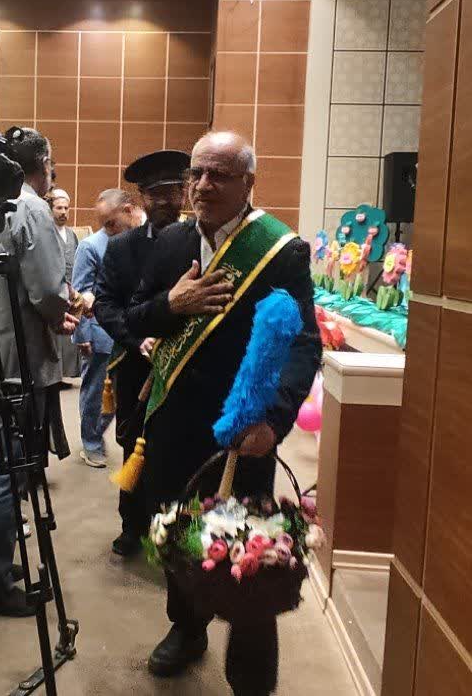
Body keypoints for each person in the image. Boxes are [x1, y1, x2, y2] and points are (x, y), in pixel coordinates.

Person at [125, 131, 321, 695]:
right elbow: (135, 316)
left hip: (243, 430)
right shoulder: (170, 242)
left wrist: (273, 420)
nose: (203, 185)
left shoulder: (279, 250)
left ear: (248, 183)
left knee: (247, 554)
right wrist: (172, 304)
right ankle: (187, 630)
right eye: (197, 173)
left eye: (219, 175)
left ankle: (251, 676)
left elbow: (303, 342)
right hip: (173, 422)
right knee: (177, 536)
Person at [0, 128, 78, 617]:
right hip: (16, 362)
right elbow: (47, 288)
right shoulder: (30, 207)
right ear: (43, 163)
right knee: (8, 472)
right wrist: (64, 312)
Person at [94, 150, 190, 556]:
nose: (166, 201)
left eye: (173, 191)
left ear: (185, 193)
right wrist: (137, 340)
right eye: (156, 194)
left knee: (180, 447)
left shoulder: (200, 242)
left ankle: (175, 529)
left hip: (187, 366)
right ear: (142, 199)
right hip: (135, 366)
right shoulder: (121, 248)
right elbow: (104, 304)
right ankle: (132, 525)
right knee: (135, 444)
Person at [72, 189, 140, 468]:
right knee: (95, 393)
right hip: (99, 336)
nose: (107, 229)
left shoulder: (140, 240)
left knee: (121, 398)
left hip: (129, 336)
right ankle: (91, 443)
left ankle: (99, 435)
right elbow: (80, 293)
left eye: (111, 222)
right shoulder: (90, 246)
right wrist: (81, 335)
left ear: (128, 211)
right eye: (103, 224)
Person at [48, 188, 80, 380]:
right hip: (54, 291)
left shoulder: (71, 234)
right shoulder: (47, 233)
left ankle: (67, 373)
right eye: (59, 208)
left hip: (71, 291)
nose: (63, 212)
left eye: (66, 208)